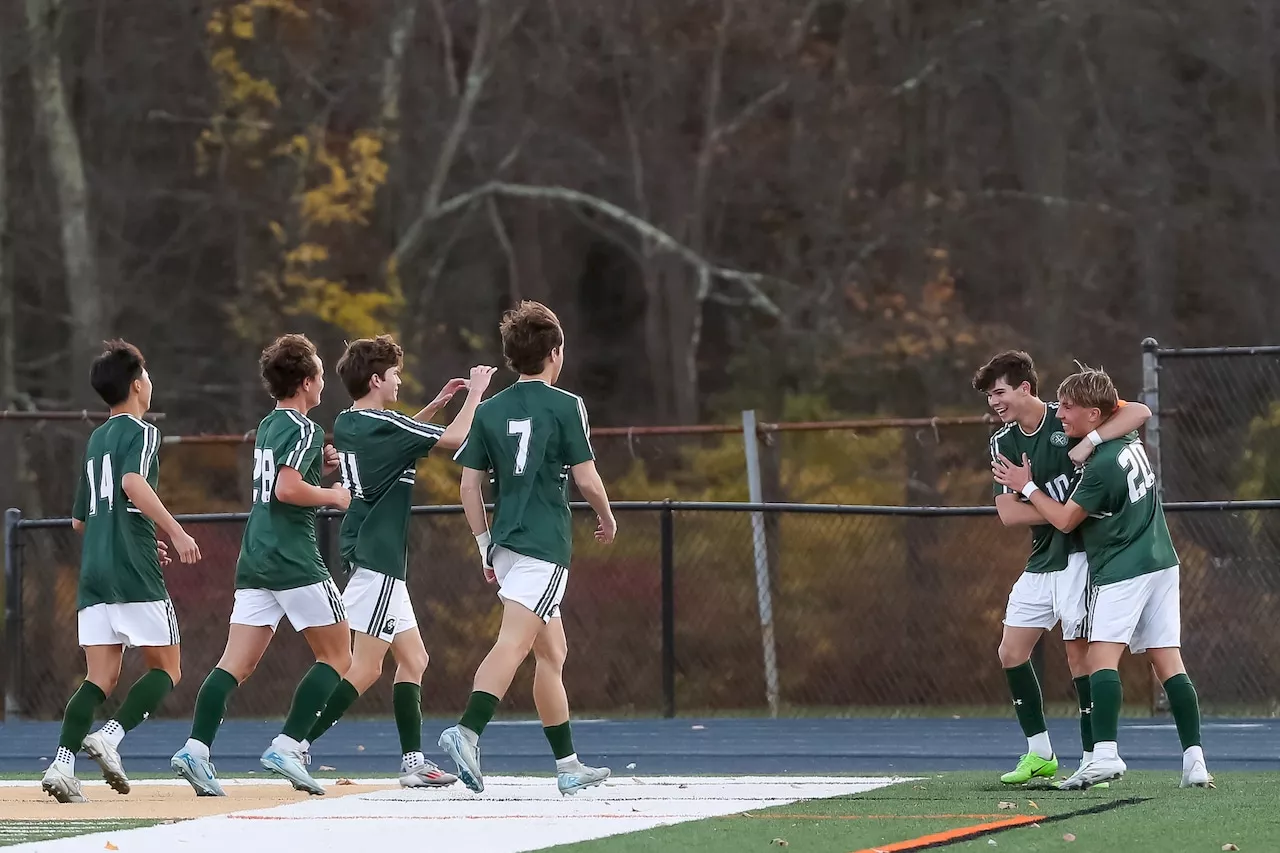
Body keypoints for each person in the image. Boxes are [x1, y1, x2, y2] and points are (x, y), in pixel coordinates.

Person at [993, 365, 1212, 790]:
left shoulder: (1100, 466)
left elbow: (1063, 518)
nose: (1061, 414)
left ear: (1095, 415)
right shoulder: (1121, 438)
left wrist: (1028, 486)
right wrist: (1089, 440)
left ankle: (1105, 756)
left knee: (1100, 659)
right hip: (1162, 561)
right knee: (1168, 662)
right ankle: (1195, 760)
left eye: (1070, 407)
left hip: (1123, 567)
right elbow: (1137, 413)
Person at [437, 301, 617, 796]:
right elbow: (587, 479)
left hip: (506, 545)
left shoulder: (490, 409)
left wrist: (482, 547)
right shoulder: (566, 404)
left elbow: (469, 487)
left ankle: (568, 765)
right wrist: (607, 518)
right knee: (514, 643)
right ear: (555, 352)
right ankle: (467, 731)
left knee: (552, 651)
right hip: (544, 543)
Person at [303, 334, 496, 788]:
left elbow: (402, 437)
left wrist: (435, 404)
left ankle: (413, 762)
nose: (399, 380)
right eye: (394, 375)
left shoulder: (353, 421)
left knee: (415, 658)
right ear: (376, 379)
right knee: (366, 667)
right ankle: (296, 742)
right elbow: (454, 438)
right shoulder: (382, 426)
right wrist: (476, 392)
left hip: (373, 554)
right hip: (378, 555)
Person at [172, 334, 351, 797]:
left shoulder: (271, 424)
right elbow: (287, 491)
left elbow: (287, 481)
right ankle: (289, 745)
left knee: (234, 663)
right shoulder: (306, 428)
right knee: (338, 655)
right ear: (308, 381)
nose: (324, 380)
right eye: (320, 373)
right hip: (292, 556)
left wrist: (320, 473)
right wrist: (334, 494)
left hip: (256, 556)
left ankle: (196, 749)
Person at [974, 351, 1151, 787]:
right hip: (1042, 559)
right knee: (1010, 652)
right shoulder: (1003, 442)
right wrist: (1059, 506)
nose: (994, 403)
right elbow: (1009, 515)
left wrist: (1087, 447)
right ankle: (1040, 753)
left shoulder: (1068, 416)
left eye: (999, 392)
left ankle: (1094, 756)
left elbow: (1140, 412)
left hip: (1081, 557)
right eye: (989, 397)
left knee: (1079, 657)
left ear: (1025, 389)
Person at [43, 340, 202, 803]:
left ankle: (62, 764)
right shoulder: (142, 430)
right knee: (167, 668)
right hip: (133, 571)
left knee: (99, 678)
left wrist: (133, 531)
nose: (151, 383)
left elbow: (80, 520)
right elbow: (132, 484)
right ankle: (110, 736)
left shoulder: (96, 439)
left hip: (94, 569)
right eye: (148, 376)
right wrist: (173, 531)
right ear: (136, 385)